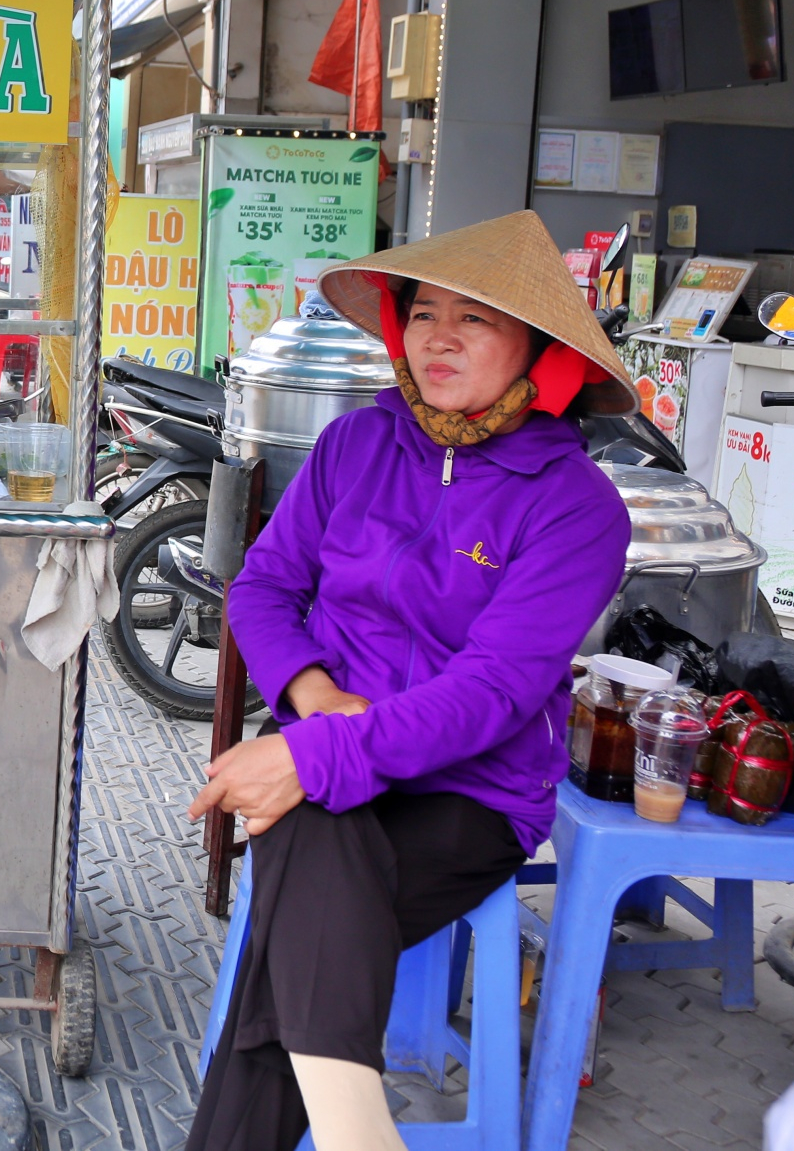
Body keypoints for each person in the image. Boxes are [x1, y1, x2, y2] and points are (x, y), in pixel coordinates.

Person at [183, 212, 634, 1151]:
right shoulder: (355, 445)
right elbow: (261, 589)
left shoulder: (577, 507)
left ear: (537, 348)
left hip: (470, 793)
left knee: (302, 887)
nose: (440, 337)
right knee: (318, 873)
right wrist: (314, 702)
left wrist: (313, 756)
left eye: (475, 319)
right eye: (425, 312)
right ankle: (359, 1130)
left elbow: (496, 690)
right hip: (325, 743)